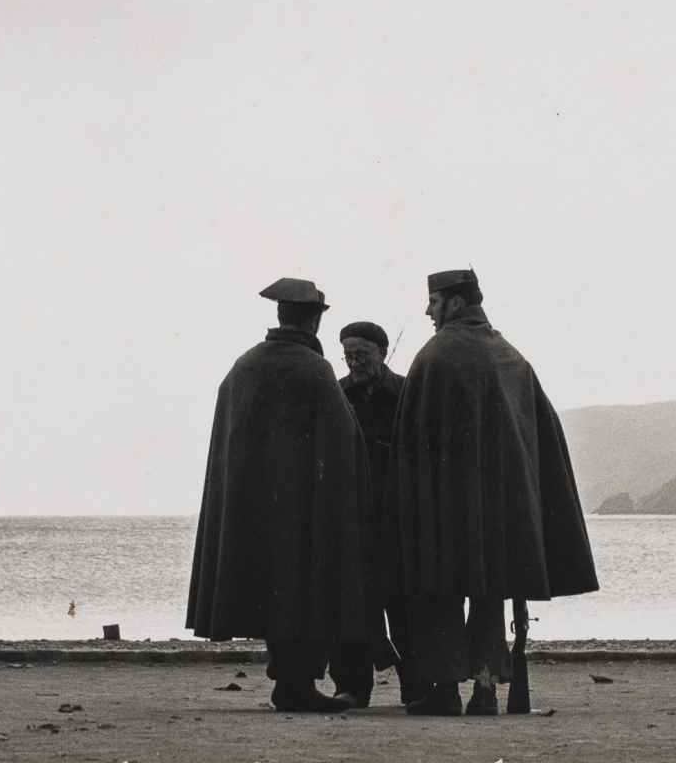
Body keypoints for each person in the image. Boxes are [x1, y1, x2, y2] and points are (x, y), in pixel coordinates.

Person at [393, 269, 599, 716]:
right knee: (489, 595)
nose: (428, 310)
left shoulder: (435, 357)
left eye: (433, 300)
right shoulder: (511, 357)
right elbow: (541, 442)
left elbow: (413, 444)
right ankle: (485, 688)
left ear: (455, 303)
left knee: (442, 593)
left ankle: (446, 689)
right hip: (503, 513)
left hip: (445, 509)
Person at [186, 278, 371, 712]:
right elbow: (345, 444)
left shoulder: (244, 365)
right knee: (304, 595)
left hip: (252, 513)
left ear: (280, 316)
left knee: (276, 595)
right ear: (316, 319)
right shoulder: (313, 368)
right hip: (303, 512)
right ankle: (295, 685)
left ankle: (291, 683)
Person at [326, 320, 417, 707]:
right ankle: (351, 687)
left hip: (397, 516)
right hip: (349, 516)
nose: (353, 362)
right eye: (347, 356)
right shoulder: (337, 394)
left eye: (361, 354)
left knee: (405, 606)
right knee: (348, 605)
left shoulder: (407, 393)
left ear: (382, 352)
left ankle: (416, 686)